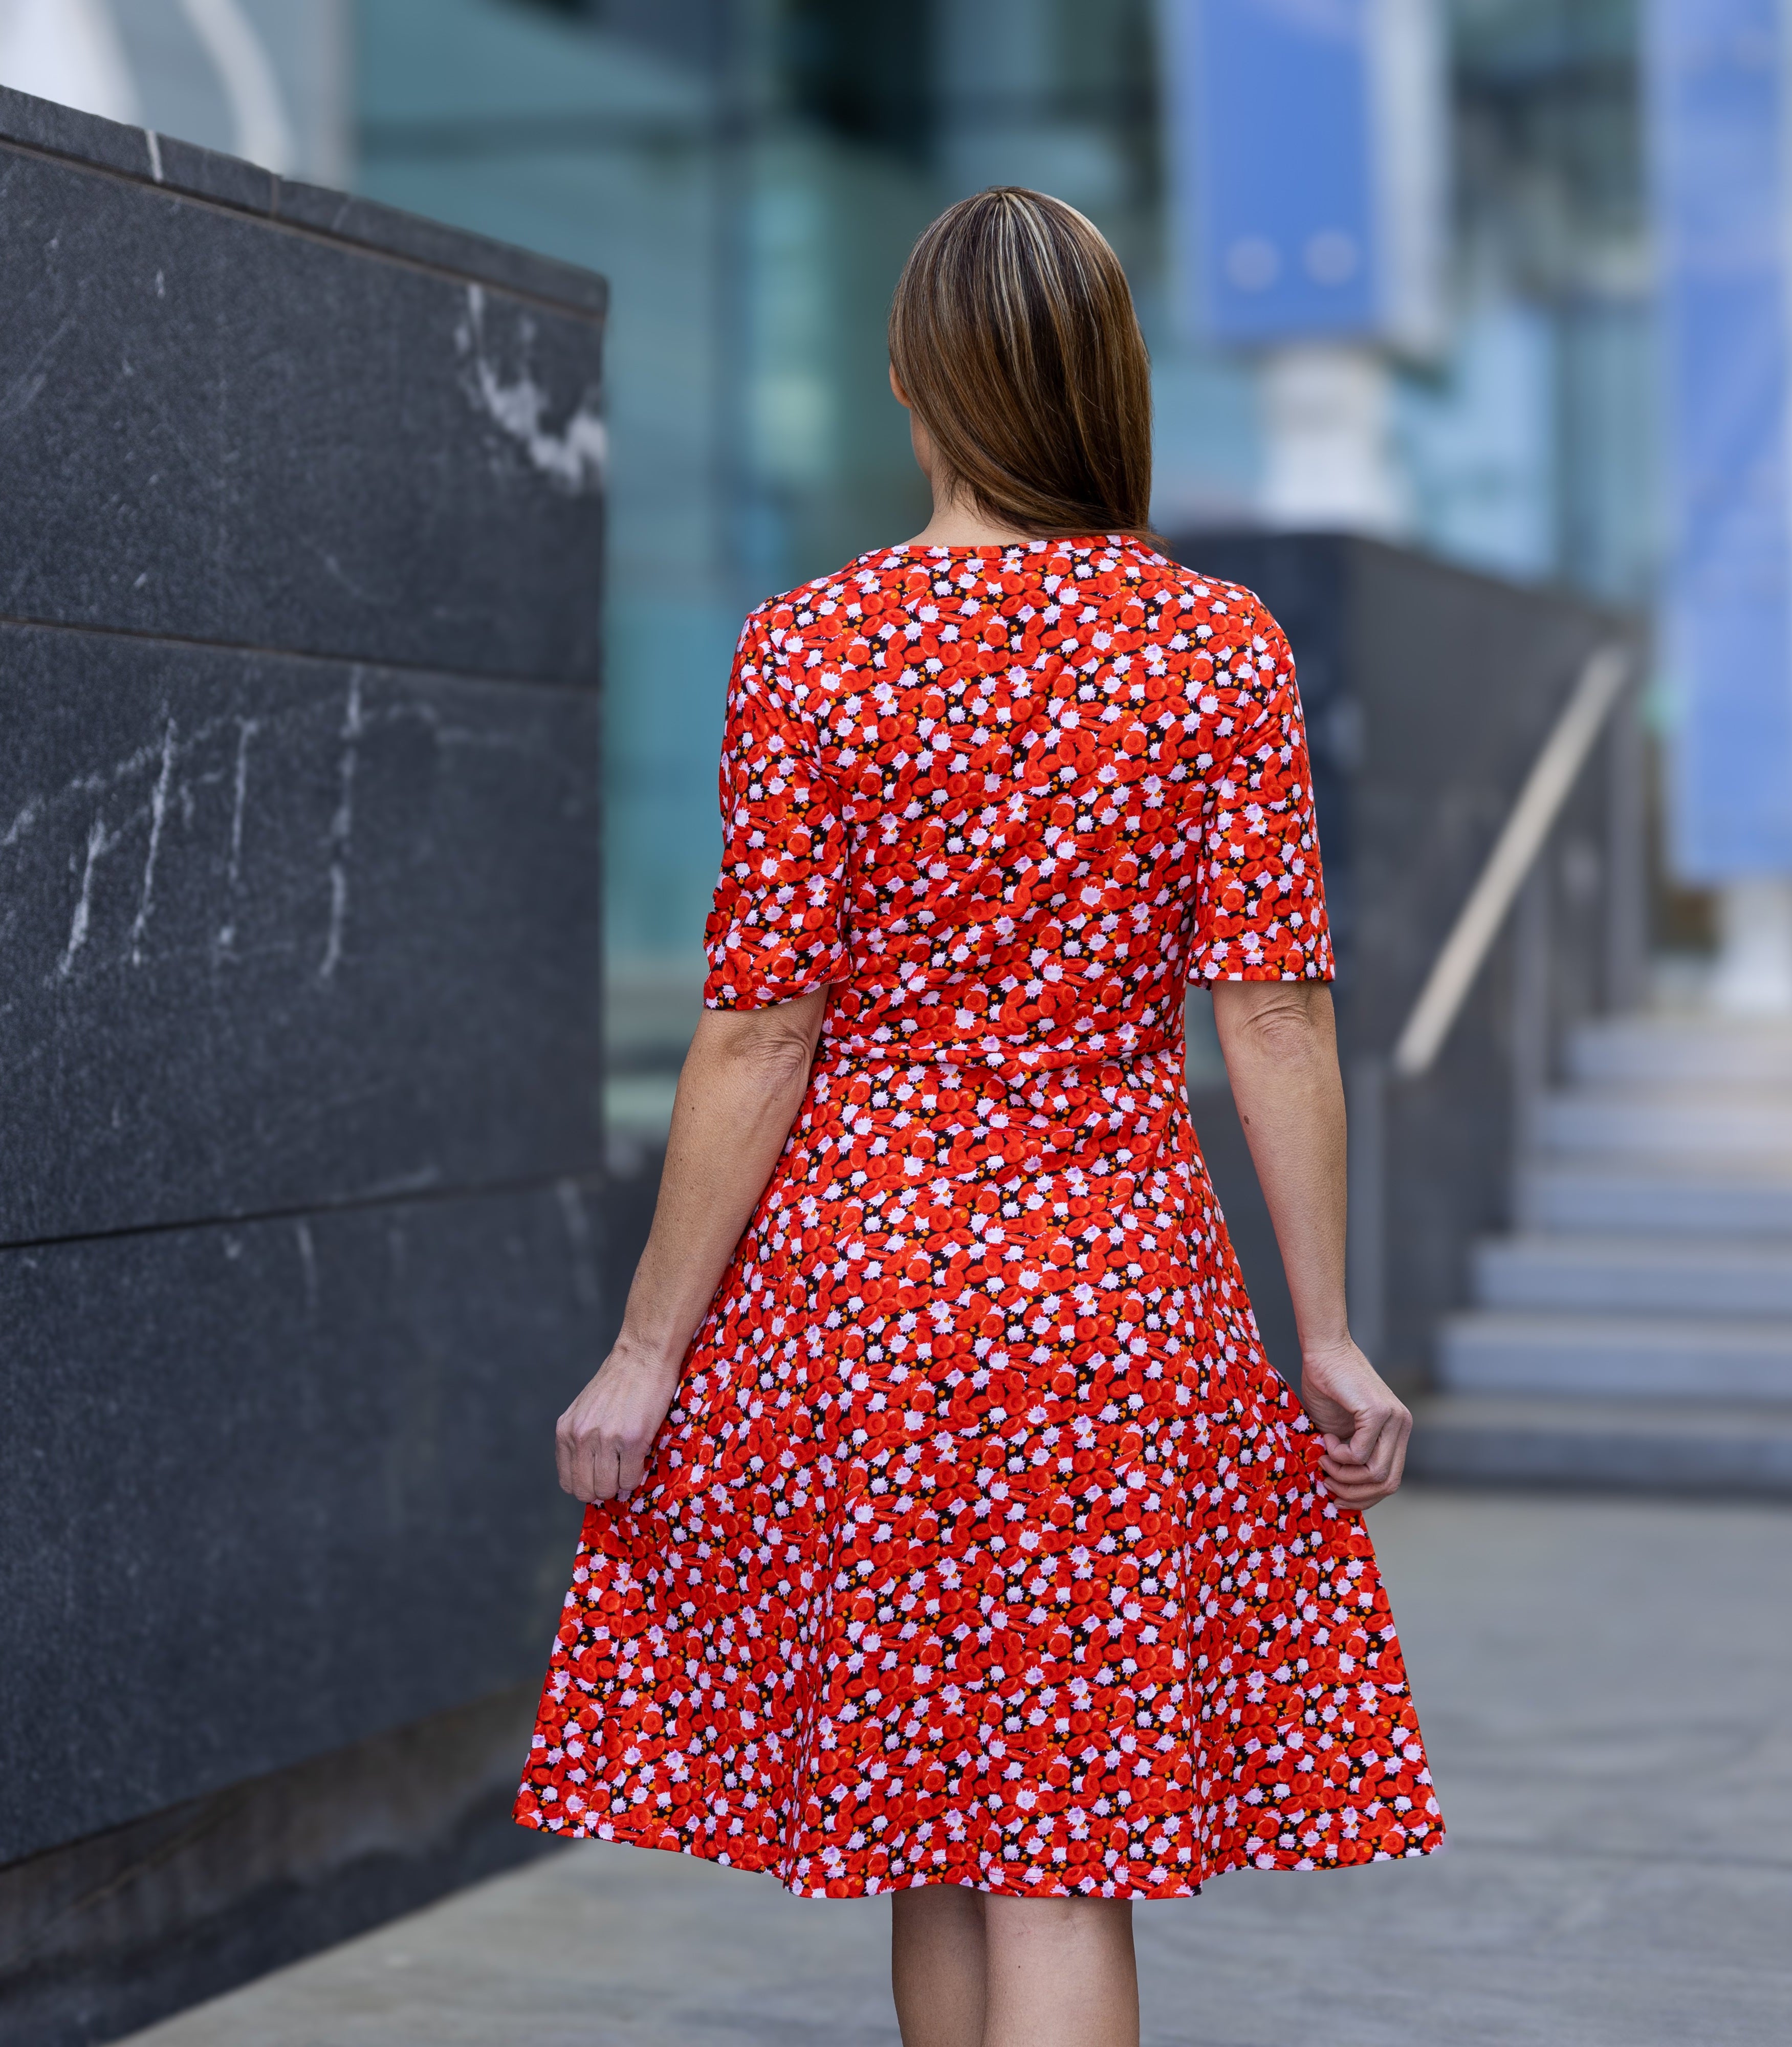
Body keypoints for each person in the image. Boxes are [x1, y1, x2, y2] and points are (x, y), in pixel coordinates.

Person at [518, 185, 1442, 2047]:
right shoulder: (1216, 648)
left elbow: (760, 1033)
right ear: (1111, 386)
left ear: (908, 390)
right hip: (1114, 1299)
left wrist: (643, 1353)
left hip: (867, 1297)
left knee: (928, 1822)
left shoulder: (810, 648)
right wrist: (1324, 1331)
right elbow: (1269, 1010)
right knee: (1063, 1843)